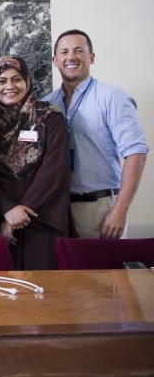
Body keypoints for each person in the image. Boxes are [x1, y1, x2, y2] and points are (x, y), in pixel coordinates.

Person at [45, 29, 148, 239]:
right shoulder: (46, 104)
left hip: (101, 209)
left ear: (91, 57)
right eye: (64, 52)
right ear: (55, 60)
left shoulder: (112, 98)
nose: (71, 57)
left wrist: (120, 211)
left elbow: (136, 154)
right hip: (59, 210)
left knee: (105, 263)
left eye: (79, 51)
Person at [0, 55, 73, 269]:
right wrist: (7, 210)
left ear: (27, 81)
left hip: (42, 218)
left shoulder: (49, 117)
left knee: (45, 286)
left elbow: (54, 170)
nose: (9, 86)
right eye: (2, 81)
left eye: (16, 79)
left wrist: (21, 212)